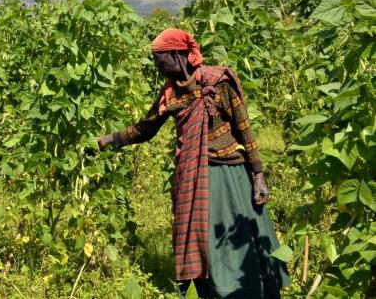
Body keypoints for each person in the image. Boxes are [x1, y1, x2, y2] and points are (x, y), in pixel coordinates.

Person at [95, 28, 290, 299]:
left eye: (158, 58)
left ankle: (249, 290)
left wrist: (258, 174)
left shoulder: (218, 81)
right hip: (196, 179)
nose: (156, 65)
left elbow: (244, 128)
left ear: (176, 55)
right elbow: (147, 127)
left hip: (230, 176)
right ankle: (216, 293)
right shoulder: (172, 93)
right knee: (204, 244)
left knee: (239, 237)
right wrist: (110, 140)